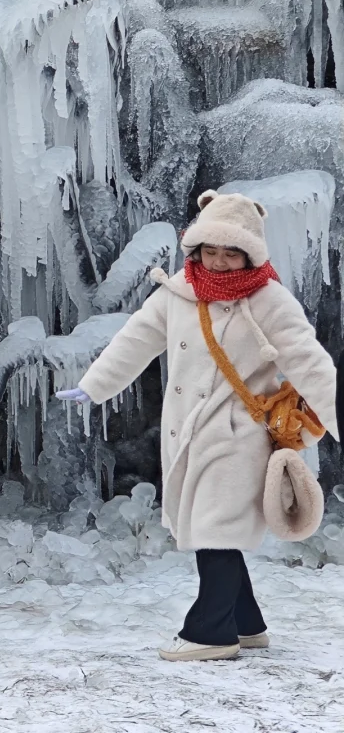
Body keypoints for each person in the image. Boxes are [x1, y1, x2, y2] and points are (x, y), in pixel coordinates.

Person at [56, 191, 338, 661]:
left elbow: (310, 363)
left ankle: (210, 632)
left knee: (215, 530)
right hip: (185, 431)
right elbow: (137, 339)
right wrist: (94, 384)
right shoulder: (179, 292)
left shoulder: (270, 300)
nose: (220, 262)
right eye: (211, 251)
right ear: (196, 250)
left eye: (231, 253)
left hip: (239, 435)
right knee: (214, 529)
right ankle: (247, 624)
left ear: (249, 253)